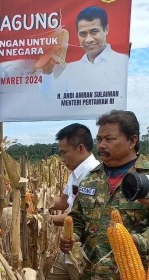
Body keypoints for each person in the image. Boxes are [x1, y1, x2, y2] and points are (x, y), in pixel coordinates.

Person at [59, 110, 149, 279]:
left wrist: (135, 241)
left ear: (132, 141)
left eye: (109, 139)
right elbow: (77, 218)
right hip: (91, 273)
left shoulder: (147, 178)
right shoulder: (90, 179)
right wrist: (71, 236)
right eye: (99, 139)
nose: (101, 145)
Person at [41, 6, 128, 95]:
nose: (88, 40)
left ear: (106, 29)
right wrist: (47, 72)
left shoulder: (123, 63)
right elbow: (50, 102)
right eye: (83, 34)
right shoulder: (71, 70)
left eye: (94, 32)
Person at [50, 123, 99, 226]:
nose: (62, 159)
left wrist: (41, 219)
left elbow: (79, 218)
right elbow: (64, 202)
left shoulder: (94, 176)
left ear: (80, 148)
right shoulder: (75, 171)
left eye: (64, 152)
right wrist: (33, 199)